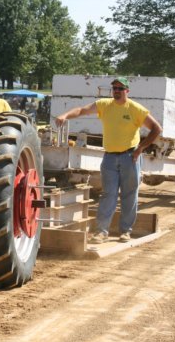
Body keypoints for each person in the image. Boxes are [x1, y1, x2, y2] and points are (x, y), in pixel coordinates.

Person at [55, 77, 162, 244]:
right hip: (110, 157)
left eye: (120, 88)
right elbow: (83, 110)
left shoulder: (135, 109)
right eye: (114, 88)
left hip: (130, 157)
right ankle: (101, 232)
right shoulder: (104, 105)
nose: (117, 91)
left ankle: (126, 231)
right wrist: (65, 115)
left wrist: (141, 148)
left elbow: (157, 129)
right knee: (108, 195)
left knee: (129, 195)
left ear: (127, 90)